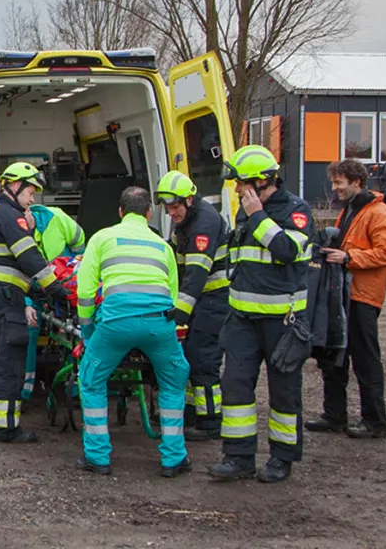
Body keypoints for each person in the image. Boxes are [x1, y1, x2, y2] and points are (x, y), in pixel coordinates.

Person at [210, 145, 314, 484]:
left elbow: (286, 251)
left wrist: (258, 216)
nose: (238, 190)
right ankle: (238, 457)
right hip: (242, 319)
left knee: (284, 393)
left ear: (260, 182)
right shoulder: (245, 212)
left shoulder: (296, 211)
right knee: (235, 386)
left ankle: (282, 459)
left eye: (241, 184)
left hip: (281, 322)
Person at [76, 187, 191, 477]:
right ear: (149, 213)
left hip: (116, 324)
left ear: (120, 211)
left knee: (91, 380)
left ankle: (98, 457)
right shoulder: (163, 246)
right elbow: (174, 295)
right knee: (174, 382)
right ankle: (174, 458)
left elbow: (86, 290)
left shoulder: (102, 238)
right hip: (159, 324)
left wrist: (88, 330)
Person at [0, 162, 67, 442]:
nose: (32, 198)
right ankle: (5, 429)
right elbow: (30, 259)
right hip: (5, 300)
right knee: (10, 365)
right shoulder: (13, 218)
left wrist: (37, 294)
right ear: (15, 186)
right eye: (30, 191)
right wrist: (57, 290)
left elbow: (9, 265)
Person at [304, 159, 386, 439]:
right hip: (344, 295)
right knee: (335, 355)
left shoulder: (377, 213)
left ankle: (374, 422)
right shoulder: (351, 211)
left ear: (356, 181)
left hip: (362, 297)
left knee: (365, 360)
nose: (335, 189)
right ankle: (335, 415)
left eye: (339, 183)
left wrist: (349, 258)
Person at [153, 171, 231, 441]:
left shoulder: (205, 222)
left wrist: (179, 313)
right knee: (186, 355)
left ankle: (210, 420)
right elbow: (177, 264)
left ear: (189, 199)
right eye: (167, 207)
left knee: (203, 357)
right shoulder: (184, 221)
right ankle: (189, 411)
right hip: (198, 299)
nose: (170, 212)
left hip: (215, 299)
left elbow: (197, 273)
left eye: (174, 207)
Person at [21, 204, 85, 401]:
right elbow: (16, 275)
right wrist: (27, 304)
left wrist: (72, 268)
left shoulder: (56, 218)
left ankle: (74, 389)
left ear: (29, 210)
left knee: (74, 331)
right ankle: (25, 391)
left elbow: (79, 241)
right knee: (28, 330)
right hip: (35, 292)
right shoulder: (13, 232)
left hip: (63, 287)